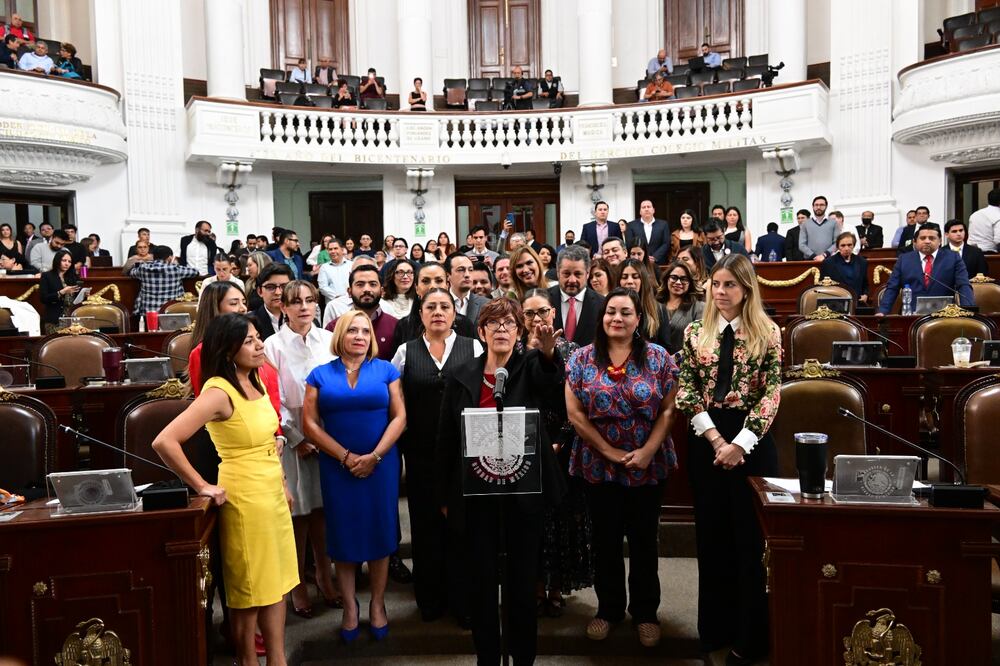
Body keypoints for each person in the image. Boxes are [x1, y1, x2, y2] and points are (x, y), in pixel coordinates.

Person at [153, 313, 297, 665]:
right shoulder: (218, 390)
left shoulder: (257, 380)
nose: (259, 345)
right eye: (249, 341)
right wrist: (202, 485)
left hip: (271, 491)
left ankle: (277, 659)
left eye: (258, 337)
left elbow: (269, 437)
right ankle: (247, 659)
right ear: (228, 349)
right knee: (249, 589)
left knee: (276, 583)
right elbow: (165, 441)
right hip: (244, 494)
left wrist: (283, 482)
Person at [435, 297, 567, 666]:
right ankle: (488, 659)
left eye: (510, 324)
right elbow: (446, 438)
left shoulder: (530, 366)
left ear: (519, 331)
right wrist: (445, 494)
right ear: (481, 332)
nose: (502, 330)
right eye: (494, 324)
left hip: (523, 497)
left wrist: (548, 352)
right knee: (481, 585)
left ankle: (523, 659)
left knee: (522, 586)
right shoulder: (462, 375)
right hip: (476, 496)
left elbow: (550, 381)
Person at [675, 254, 782, 665]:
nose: (721, 292)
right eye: (716, 284)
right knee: (713, 541)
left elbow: (772, 393)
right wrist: (718, 440)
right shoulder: (694, 332)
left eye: (730, 285)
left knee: (750, 544)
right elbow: (687, 390)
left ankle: (749, 639)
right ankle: (714, 633)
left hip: (752, 444)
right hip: (707, 439)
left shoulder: (768, 332)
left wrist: (740, 443)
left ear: (747, 289)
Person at [565, 287, 679, 648]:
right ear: (602, 318)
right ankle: (609, 609)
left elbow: (668, 410)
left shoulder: (658, 358)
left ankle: (646, 613)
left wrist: (646, 450)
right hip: (598, 465)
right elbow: (574, 415)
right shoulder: (582, 358)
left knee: (645, 541)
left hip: (649, 463)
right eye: (611, 311)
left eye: (625, 312)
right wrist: (608, 451)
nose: (617, 318)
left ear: (638, 319)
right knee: (605, 540)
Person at [301, 310, 406, 643]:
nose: (359, 336)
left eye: (365, 331)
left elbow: (400, 417)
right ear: (340, 336)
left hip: (381, 466)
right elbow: (309, 425)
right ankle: (349, 606)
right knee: (343, 536)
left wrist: (374, 456)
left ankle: (377, 604)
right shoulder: (318, 375)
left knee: (379, 532)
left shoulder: (387, 370)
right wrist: (345, 457)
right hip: (337, 467)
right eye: (352, 331)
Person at [391, 289, 483, 623]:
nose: (438, 312)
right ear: (421, 313)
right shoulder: (405, 351)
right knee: (426, 527)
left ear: (454, 313)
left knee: (461, 530)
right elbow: (395, 402)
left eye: (445, 306)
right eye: (431, 307)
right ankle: (429, 600)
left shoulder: (473, 347)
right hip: (420, 454)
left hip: (464, 456)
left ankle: (463, 603)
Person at [263, 281, 341, 618]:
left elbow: (340, 382)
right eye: (296, 302)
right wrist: (298, 437)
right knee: (298, 517)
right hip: (294, 440)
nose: (304, 307)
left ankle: (325, 576)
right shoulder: (273, 345)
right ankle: (297, 585)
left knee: (324, 513)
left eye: (310, 300)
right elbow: (273, 398)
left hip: (330, 434)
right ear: (284, 307)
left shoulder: (327, 339)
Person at [520, 288, 593, 617]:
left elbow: (579, 400)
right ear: (522, 319)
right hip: (526, 445)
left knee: (563, 518)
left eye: (543, 312)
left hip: (564, 443)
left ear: (554, 314)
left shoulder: (574, 350)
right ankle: (535, 586)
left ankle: (556, 587)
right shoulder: (514, 351)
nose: (537, 319)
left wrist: (561, 439)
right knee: (533, 520)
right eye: (530, 314)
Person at [877, 222, 975, 315]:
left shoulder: (953, 258)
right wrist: (882, 311)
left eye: (932, 238)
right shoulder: (904, 259)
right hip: (911, 315)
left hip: (945, 315)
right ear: (915, 242)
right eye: (923, 238)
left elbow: (964, 285)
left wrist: (968, 311)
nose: (927, 241)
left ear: (940, 241)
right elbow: (892, 288)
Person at [328, 263, 399, 361]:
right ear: (349, 291)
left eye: (373, 284)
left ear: (382, 291)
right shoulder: (334, 327)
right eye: (360, 284)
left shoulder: (397, 326)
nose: (366, 289)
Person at [547, 245, 603, 347]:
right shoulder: (544, 299)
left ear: (587, 273)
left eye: (578, 274)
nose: (572, 280)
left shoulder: (602, 304)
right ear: (558, 273)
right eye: (566, 274)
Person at [615, 258, 671, 351]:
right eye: (624, 277)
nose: (629, 281)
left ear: (643, 280)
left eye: (635, 276)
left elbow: (665, 347)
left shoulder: (659, 309)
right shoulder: (610, 309)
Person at [129, 245, 199, 315]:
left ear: (153, 257)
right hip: (170, 312)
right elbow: (196, 272)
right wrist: (175, 263)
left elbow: (132, 273)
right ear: (169, 258)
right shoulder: (175, 269)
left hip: (149, 314)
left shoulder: (143, 268)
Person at [657, 260, 705, 353]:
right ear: (667, 279)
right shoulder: (656, 304)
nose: (678, 282)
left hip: (684, 363)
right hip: (656, 362)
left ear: (690, 282)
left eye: (684, 279)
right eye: (674, 277)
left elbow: (698, 342)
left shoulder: (698, 307)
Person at [820, 232, 870, 303]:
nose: (846, 248)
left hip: (857, 303)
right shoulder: (828, 263)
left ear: (854, 245)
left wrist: (865, 295)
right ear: (838, 247)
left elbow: (865, 284)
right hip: (836, 303)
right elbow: (823, 286)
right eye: (843, 245)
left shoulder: (862, 262)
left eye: (849, 245)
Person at [39, 250, 80, 332]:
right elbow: (43, 298)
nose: (67, 263)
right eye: (64, 260)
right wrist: (62, 292)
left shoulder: (73, 277)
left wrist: (84, 295)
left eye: (69, 261)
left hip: (71, 318)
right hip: (55, 319)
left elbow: (77, 300)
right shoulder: (47, 276)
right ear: (57, 260)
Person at [252, 263, 294, 340]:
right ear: (259, 291)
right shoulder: (250, 322)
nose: (278, 292)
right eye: (270, 287)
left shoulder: (304, 318)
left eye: (284, 287)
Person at [446, 252, 489, 324]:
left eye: (470, 270)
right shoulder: (438, 305)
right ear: (448, 276)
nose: (467, 275)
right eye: (461, 270)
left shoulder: (487, 305)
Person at [798, 195, 841, 262]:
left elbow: (837, 243)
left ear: (826, 206)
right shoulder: (805, 224)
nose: (818, 207)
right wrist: (814, 256)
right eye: (816, 205)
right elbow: (801, 244)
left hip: (829, 260)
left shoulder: (834, 223)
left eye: (821, 205)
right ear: (813, 206)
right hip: (810, 260)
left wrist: (824, 255)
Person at [968, 187, 1000, 252]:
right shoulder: (998, 215)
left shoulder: (975, 214)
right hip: (990, 256)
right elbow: (998, 240)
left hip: (971, 252)